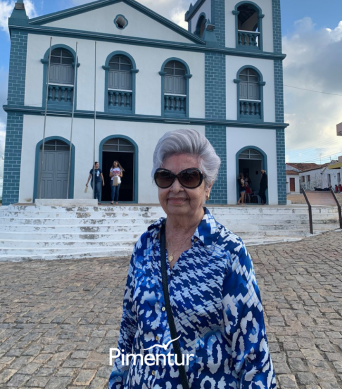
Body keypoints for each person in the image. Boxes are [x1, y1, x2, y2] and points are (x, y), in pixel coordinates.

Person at [109, 129, 276, 389]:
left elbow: (253, 357)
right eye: (166, 177)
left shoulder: (229, 253)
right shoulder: (145, 245)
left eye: (189, 177)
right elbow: (129, 329)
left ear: (208, 186)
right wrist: (117, 381)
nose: (175, 187)